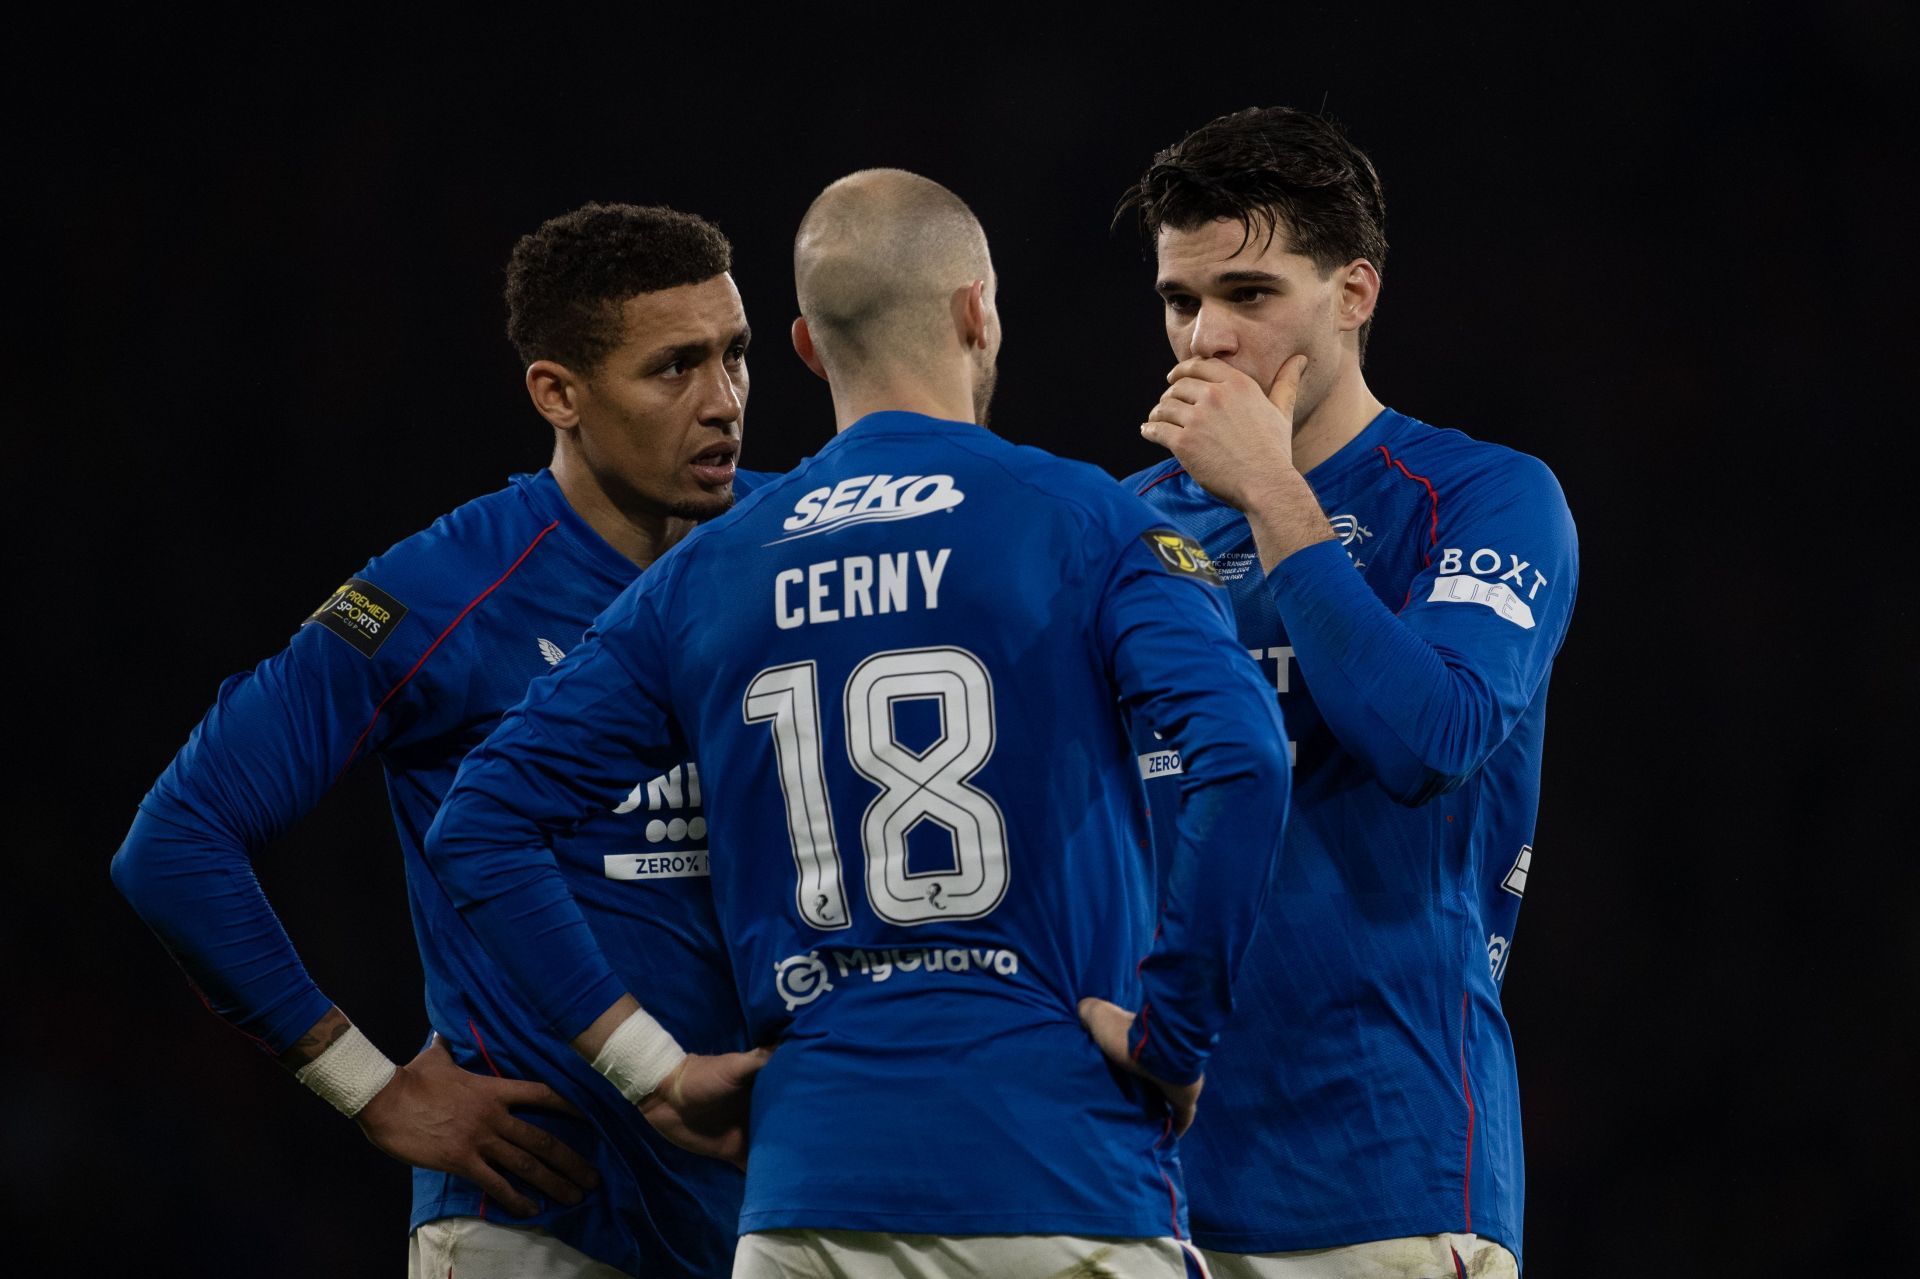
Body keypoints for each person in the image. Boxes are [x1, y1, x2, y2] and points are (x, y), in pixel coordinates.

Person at [422, 168, 1294, 1279]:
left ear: (801, 345)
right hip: (1063, 1176)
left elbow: (481, 821)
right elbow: (1245, 756)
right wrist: (1176, 1035)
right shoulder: (1089, 521)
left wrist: (649, 1067)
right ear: (978, 309)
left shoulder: (711, 570)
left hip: (807, 1205)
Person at [110, 202, 770, 1278]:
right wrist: (366, 1085)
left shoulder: (789, 548)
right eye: (675, 369)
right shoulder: (440, 593)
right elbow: (175, 840)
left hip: (762, 1215)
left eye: (736, 356)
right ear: (559, 393)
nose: (724, 403)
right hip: (539, 1224)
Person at [1115, 107, 1579, 1278]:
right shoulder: (1120, 528)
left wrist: (1271, 494)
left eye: (1251, 292)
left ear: (1355, 292)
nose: (1207, 338)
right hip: (1131, 1182)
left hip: (1383, 1174)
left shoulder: (1480, 498)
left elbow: (1430, 737)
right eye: (1181, 300)